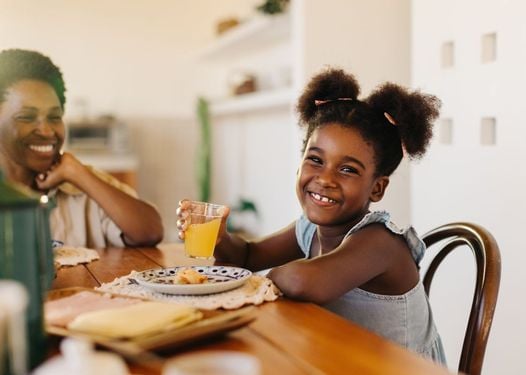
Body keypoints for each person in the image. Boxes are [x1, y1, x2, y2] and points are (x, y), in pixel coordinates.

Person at [177, 68, 445, 363]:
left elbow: (304, 282)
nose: (325, 179)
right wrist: (220, 239)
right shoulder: (309, 228)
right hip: (338, 359)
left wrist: (263, 281)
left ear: (377, 188)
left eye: (348, 169)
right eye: (315, 160)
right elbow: (248, 257)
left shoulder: (379, 242)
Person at [0, 48, 163, 247]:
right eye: (26, 117)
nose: (47, 131)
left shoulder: (83, 184)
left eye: (55, 117)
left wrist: (77, 173)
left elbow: (150, 231)